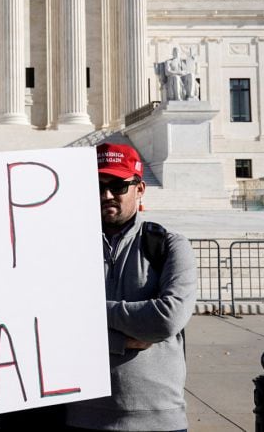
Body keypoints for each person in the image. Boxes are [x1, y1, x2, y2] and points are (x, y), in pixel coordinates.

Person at [65, 142, 197, 432]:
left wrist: (91, 315)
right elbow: (54, 324)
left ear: (140, 189)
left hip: (158, 418)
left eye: (118, 185)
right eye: (97, 185)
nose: (107, 195)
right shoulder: (68, 249)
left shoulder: (170, 245)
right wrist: (120, 341)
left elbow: (167, 319)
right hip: (82, 416)